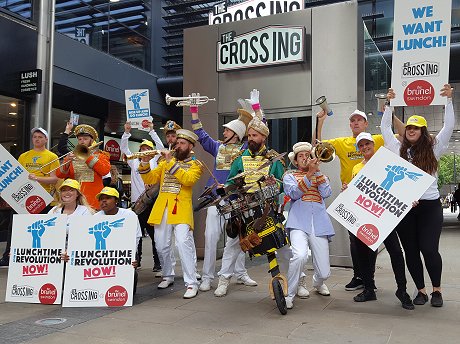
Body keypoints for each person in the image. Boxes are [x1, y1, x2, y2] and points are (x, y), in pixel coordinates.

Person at [316, 108, 406, 291]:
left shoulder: (377, 139)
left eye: (360, 120)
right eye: (353, 120)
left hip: (375, 198)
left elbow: (404, 136)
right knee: (355, 241)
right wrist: (321, 121)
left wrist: (391, 113)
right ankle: (359, 277)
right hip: (351, 198)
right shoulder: (342, 143)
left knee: (374, 240)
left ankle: (371, 280)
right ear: (350, 125)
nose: (356, 123)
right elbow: (318, 147)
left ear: (366, 123)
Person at [382, 84, 454, 307]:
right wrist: (389, 104)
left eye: (416, 128)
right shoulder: (397, 148)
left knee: (429, 249)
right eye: (409, 128)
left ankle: (437, 290)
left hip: (430, 207)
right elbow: (385, 128)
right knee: (411, 251)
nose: (411, 130)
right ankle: (421, 291)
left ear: (423, 132)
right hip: (406, 209)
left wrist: (449, 101)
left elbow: (449, 126)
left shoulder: (434, 149)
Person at [214, 108, 285, 297]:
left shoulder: (273, 159)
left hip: (267, 208)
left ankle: (298, 280)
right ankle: (223, 279)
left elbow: (283, 185)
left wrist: (274, 186)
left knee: (280, 244)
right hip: (245, 207)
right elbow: (231, 181)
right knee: (233, 246)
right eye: (249, 135)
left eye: (254, 135)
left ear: (263, 137)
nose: (250, 139)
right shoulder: (240, 158)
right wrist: (228, 186)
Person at [190, 91, 257, 292]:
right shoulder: (218, 147)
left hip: (238, 199)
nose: (224, 132)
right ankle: (207, 277)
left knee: (237, 238)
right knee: (211, 236)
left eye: (227, 130)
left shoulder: (246, 149)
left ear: (236, 134)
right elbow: (200, 134)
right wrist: (194, 110)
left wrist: (256, 108)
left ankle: (240, 273)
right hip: (216, 199)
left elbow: (259, 130)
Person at [342, 132, 414, 309]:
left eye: (368, 144)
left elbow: (399, 187)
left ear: (374, 145)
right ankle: (368, 289)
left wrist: (409, 198)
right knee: (364, 254)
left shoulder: (386, 162)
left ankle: (402, 289)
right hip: (364, 216)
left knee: (396, 252)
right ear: (358, 149)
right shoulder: (356, 168)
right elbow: (355, 191)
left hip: (384, 217)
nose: (365, 147)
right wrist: (347, 190)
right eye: (361, 145)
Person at [138, 129, 202, 299]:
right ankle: (168, 274)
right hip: (162, 208)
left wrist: (171, 163)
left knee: (182, 243)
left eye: (182, 143)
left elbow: (187, 180)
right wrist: (144, 163)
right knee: (161, 245)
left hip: (181, 209)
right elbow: (150, 179)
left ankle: (191, 283)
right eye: (177, 143)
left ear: (190, 146)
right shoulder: (165, 162)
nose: (178, 145)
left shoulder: (196, 165)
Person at [277, 142, 334, 309]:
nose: (304, 158)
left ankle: (317, 282)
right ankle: (290, 294)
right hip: (298, 222)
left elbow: (326, 193)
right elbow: (293, 193)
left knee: (324, 272)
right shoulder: (289, 175)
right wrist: (309, 174)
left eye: (307, 155)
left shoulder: (320, 175)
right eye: (300, 156)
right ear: (295, 161)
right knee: (300, 255)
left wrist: (317, 173)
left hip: (319, 222)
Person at [0, 127, 60, 267]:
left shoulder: (52, 157)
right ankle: (8, 256)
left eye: (40, 137)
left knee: (39, 229)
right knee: (15, 227)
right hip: (23, 196)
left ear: (46, 139)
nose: (37, 139)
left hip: (42, 198)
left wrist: (37, 179)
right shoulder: (23, 156)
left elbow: (54, 179)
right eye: (35, 137)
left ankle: (39, 256)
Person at [121, 121, 164, 272]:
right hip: (136, 202)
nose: (145, 151)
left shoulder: (155, 162)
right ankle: (136, 260)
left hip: (151, 201)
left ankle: (157, 262)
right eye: (142, 149)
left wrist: (152, 131)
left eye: (147, 149)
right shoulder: (134, 162)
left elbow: (160, 148)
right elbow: (124, 149)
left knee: (154, 234)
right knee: (136, 233)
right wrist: (127, 132)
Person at [56, 124, 111, 209]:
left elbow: (104, 171)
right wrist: (67, 161)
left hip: (94, 200)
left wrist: (87, 156)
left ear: (92, 140)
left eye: (85, 139)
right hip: (75, 200)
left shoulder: (101, 155)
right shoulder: (72, 156)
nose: (82, 141)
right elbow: (60, 175)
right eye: (80, 139)